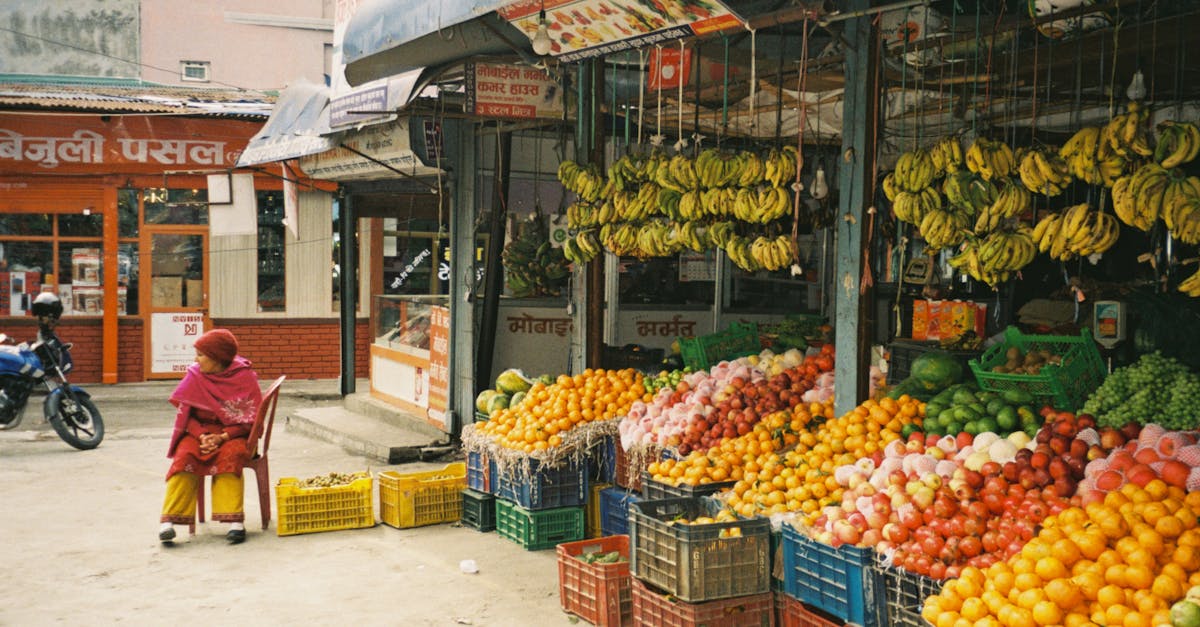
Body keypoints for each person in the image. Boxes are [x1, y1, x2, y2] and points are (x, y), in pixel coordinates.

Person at [158, 329, 262, 545]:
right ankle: (169, 521)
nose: (196, 360)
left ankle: (235, 522)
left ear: (217, 358)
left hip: (234, 433)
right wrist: (203, 435)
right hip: (199, 431)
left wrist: (223, 437)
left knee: (231, 456)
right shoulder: (195, 375)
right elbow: (186, 415)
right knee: (184, 457)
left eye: (201, 355)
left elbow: (250, 421)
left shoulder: (244, 378)